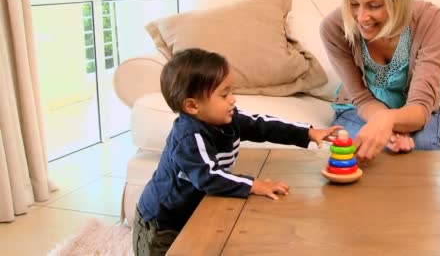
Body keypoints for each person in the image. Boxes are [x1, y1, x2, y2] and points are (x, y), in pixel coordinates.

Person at [132, 48, 340, 255]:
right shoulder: (189, 138)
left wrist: (308, 133)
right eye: (224, 94)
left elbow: (263, 125)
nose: (232, 99)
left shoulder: (227, 120)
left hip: (194, 211)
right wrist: (253, 184)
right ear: (192, 106)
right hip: (162, 223)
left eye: (231, 91)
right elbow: (209, 177)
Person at [320, 0, 440, 164]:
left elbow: (420, 106)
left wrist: (389, 122)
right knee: (358, 149)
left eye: (374, 6)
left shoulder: (434, 22)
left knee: (422, 148)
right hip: (360, 110)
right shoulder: (334, 28)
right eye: (353, 4)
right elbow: (361, 97)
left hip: (416, 111)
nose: (361, 17)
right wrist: (384, 126)